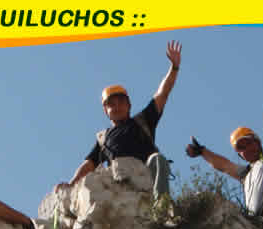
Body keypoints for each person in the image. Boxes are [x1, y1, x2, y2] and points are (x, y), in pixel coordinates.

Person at [55, 41, 182, 201]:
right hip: (120, 182)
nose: (116, 107)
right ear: (105, 110)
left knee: (158, 160)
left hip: (145, 174)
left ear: (129, 105)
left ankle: (162, 205)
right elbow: (89, 165)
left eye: (121, 102)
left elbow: (162, 93)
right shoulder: (103, 138)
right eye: (111, 104)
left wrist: (174, 68)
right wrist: (71, 184)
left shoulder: (143, 121)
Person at [185, 69, 263, 229]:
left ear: (257, 142)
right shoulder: (246, 174)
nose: (246, 149)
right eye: (240, 147)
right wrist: (202, 152)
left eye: (248, 142)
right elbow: (224, 166)